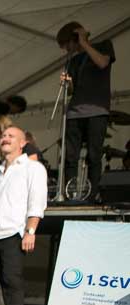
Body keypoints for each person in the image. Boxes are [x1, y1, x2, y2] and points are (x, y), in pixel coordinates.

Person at [0, 127, 47, 305]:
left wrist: (30, 230)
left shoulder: (33, 167)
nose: (5, 139)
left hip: (15, 233)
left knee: (12, 283)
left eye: (11, 136)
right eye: (3, 136)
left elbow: (37, 200)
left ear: (23, 143)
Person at [57, 21, 116, 199]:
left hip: (97, 110)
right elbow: (73, 90)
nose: (67, 49)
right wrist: (67, 84)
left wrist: (84, 42)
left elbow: (103, 63)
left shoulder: (104, 45)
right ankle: (70, 192)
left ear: (74, 38)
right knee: (70, 156)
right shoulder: (73, 60)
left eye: (67, 44)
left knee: (94, 154)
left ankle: (93, 194)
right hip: (75, 111)